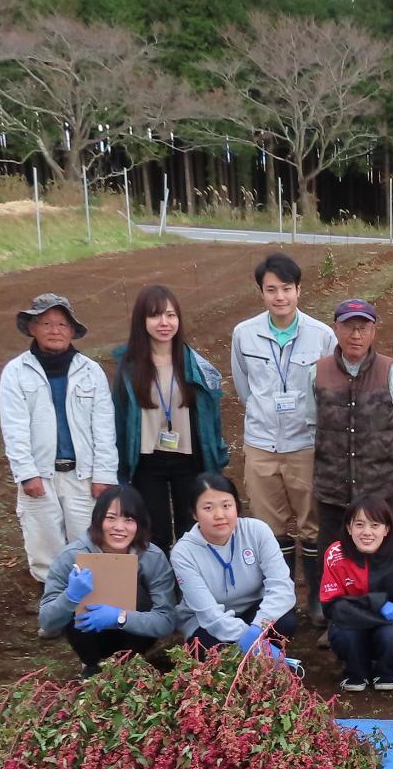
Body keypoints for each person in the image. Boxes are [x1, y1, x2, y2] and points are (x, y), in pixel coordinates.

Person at [230, 252, 336, 627]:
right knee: (269, 526)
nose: (280, 297)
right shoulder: (244, 334)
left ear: (299, 290)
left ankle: (319, 598)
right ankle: (282, 596)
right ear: (261, 292)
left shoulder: (322, 336)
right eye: (271, 290)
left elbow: (329, 390)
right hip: (261, 444)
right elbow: (245, 388)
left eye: (286, 289)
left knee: (312, 525)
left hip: (305, 444)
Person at [0, 293, 116, 581]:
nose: (55, 330)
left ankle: (92, 614)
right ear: (32, 328)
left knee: (90, 544)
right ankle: (52, 607)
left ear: (73, 331)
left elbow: (104, 427)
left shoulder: (91, 371)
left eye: (62, 324)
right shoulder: (16, 372)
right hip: (41, 475)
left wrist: (104, 474)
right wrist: (26, 473)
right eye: (46, 323)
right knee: (44, 547)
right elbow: (14, 428)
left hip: (83, 475)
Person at [110, 284, 228, 552]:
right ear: (142, 321)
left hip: (189, 459)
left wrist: (218, 456)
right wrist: (117, 468)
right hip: (147, 462)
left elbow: (212, 415)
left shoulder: (195, 364)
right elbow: (118, 419)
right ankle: (162, 590)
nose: (164, 323)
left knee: (193, 533)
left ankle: (190, 588)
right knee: (155, 535)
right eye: (155, 316)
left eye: (171, 315)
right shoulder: (128, 368)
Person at [311, 298, 393, 583]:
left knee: (389, 542)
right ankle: (332, 602)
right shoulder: (318, 372)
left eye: (363, 328)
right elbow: (312, 423)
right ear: (336, 329)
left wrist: (382, 454)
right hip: (332, 483)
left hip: (382, 482)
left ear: (374, 332)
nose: (355, 335)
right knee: (333, 543)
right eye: (348, 327)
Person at [37, 485, 181, 675]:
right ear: (97, 520)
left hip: (135, 636)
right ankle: (91, 664)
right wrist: (71, 596)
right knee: (74, 605)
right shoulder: (72, 556)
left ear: (140, 524)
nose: (119, 527)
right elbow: (47, 622)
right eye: (110, 518)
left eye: (129, 519)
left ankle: (132, 661)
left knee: (137, 589)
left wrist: (120, 617)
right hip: (89, 637)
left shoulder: (152, 557)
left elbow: (166, 621)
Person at [169, 471, 301, 664]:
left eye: (226, 505)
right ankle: (260, 659)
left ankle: (256, 658)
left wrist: (257, 628)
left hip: (254, 611)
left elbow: (282, 587)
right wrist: (249, 638)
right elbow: (209, 613)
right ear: (194, 513)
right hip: (207, 622)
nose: (219, 515)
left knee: (285, 622)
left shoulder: (257, 531)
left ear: (237, 507)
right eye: (208, 508)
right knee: (207, 649)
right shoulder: (183, 552)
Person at [318, 495, 393, 694]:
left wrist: (367, 610)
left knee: (392, 636)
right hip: (356, 628)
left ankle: (389, 671)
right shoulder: (335, 554)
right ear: (349, 528)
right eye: (359, 524)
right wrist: (378, 603)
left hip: (390, 632)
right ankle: (355, 671)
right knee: (344, 631)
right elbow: (333, 606)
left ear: (386, 530)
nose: (367, 532)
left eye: (375, 525)